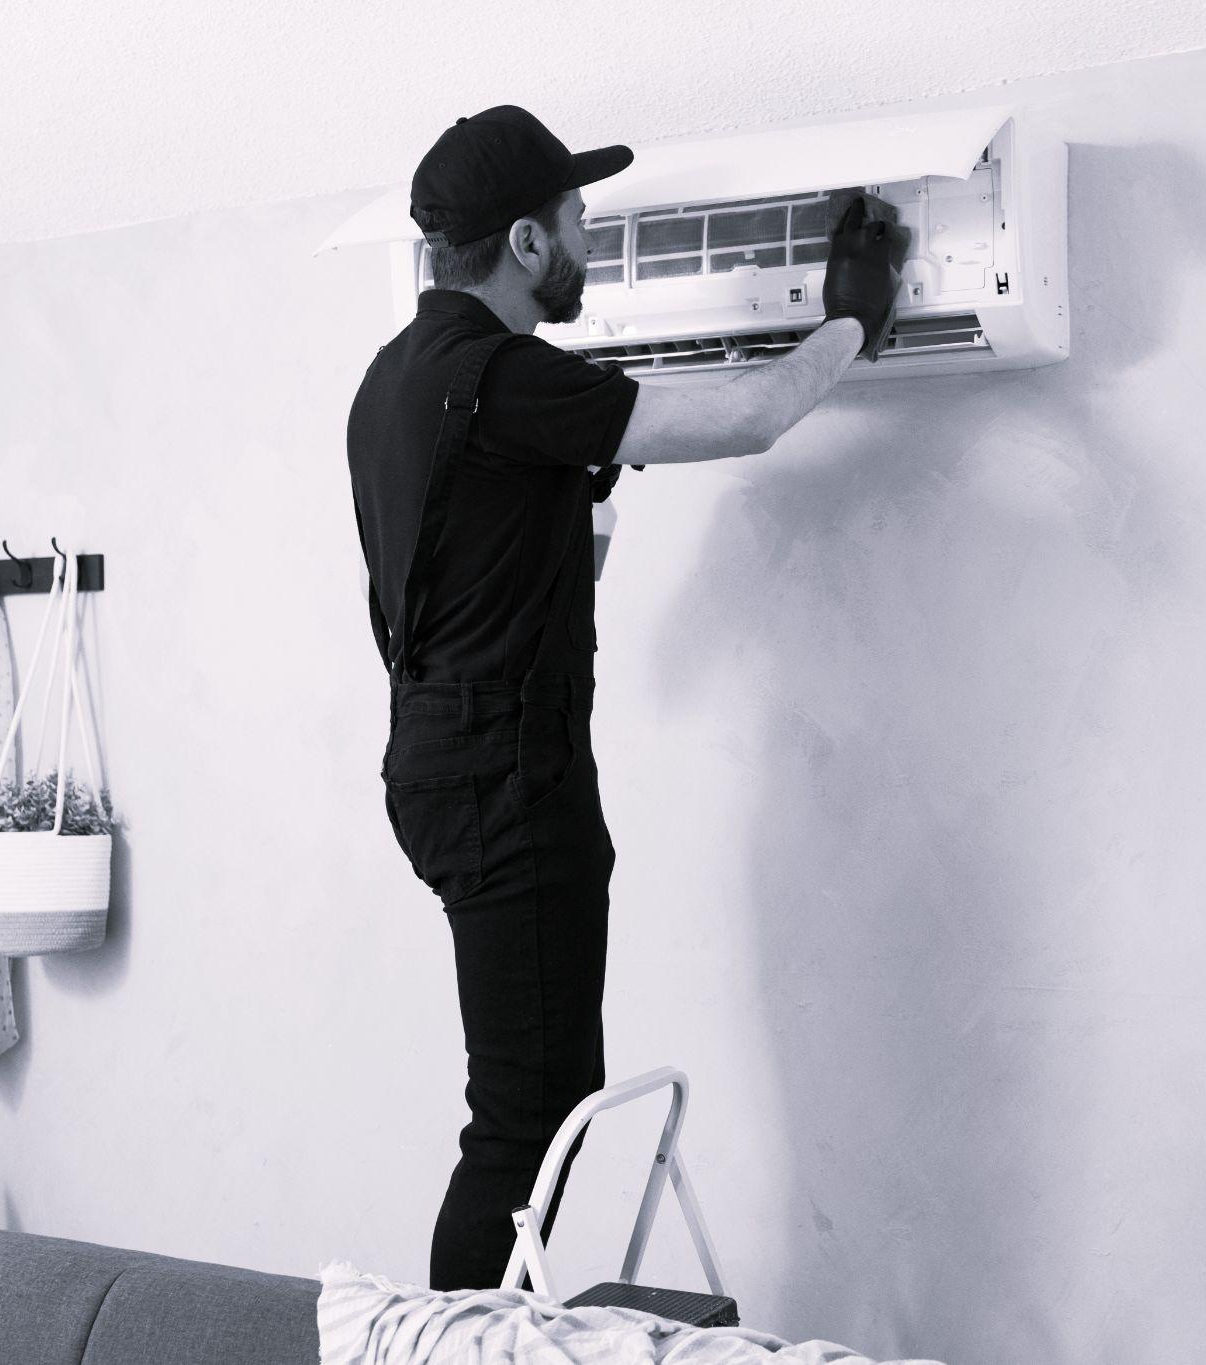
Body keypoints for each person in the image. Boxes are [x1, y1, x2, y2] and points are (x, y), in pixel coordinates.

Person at [343, 103, 908, 1293]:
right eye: (576, 217)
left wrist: (585, 481)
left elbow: (492, 563)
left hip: (438, 758)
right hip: (504, 773)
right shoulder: (503, 377)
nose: (588, 235)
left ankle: (484, 1329)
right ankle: (453, 1341)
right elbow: (752, 417)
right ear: (527, 244)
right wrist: (850, 313)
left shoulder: (389, 381)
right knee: (520, 1121)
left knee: (533, 1106)